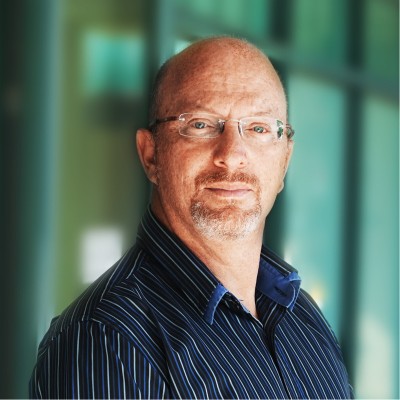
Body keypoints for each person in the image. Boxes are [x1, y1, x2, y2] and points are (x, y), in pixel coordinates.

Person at [30, 37, 353, 399]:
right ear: (151, 155)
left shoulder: (303, 316)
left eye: (259, 128)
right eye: (201, 125)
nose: (232, 154)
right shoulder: (106, 341)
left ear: (284, 161)